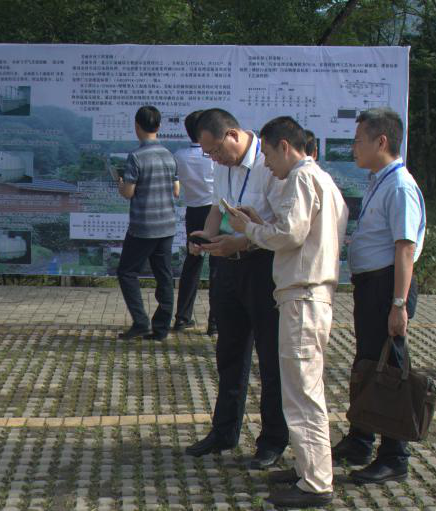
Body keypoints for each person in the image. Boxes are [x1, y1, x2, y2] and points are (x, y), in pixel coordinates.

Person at [229, 117, 348, 508]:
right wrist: (261, 224)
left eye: (267, 154)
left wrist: (250, 230)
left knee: (301, 393)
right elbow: (300, 231)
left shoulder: (300, 178)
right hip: (312, 294)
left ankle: (315, 482)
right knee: (302, 389)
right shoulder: (324, 180)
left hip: (303, 295)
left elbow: (291, 234)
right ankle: (307, 468)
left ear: (284, 146)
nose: (266, 163)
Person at [183, 108, 289, 468]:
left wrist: (240, 242)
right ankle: (224, 431)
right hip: (227, 264)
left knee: (270, 356)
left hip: (263, 266)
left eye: (215, 151)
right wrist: (207, 237)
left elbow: (280, 226)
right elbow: (219, 208)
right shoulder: (222, 165)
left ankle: (272, 440)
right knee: (229, 352)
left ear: (232, 135)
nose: (214, 158)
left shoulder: (268, 163)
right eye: (208, 154)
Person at [331, 107, 426, 484]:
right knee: (368, 364)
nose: (353, 148)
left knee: (390, 370)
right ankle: (360, 439)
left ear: (381, 141)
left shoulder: (400, 186)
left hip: (389, 286)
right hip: (373, 285)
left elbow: (405, 248)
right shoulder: (379, 181)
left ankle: (394, 456)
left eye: (358, 141)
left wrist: (398, 304)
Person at [116, 105, 180, 341]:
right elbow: (176, 190)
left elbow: (129, 192)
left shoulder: (136, 156)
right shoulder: (169, 155)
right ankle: (161, 328)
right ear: (159, 126)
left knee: (126, 272)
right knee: (164, 276)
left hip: (143, 227)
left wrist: (121, 184)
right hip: (167, 225)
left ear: (137, 126)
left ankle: (141, 322)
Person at [172, 110, 218, 335]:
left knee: (192, 263)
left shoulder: (180, 155)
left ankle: (182, 318)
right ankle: (214, 322)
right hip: (216, 211)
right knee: (217, 266)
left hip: (194, 212)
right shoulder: (214, 155)